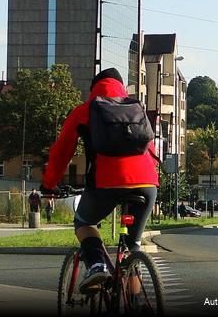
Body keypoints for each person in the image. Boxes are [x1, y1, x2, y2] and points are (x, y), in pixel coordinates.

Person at [40, 68, 159, 293]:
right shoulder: (136, 109)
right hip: (146, 184)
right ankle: (134, 302)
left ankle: (96, 264)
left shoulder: (86, 110)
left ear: (94, 87)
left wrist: (48, 184)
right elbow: (150, 150)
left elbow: (61, 151)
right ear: (122, 86)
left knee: (84, 222)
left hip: (106, 184)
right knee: (132, 249)